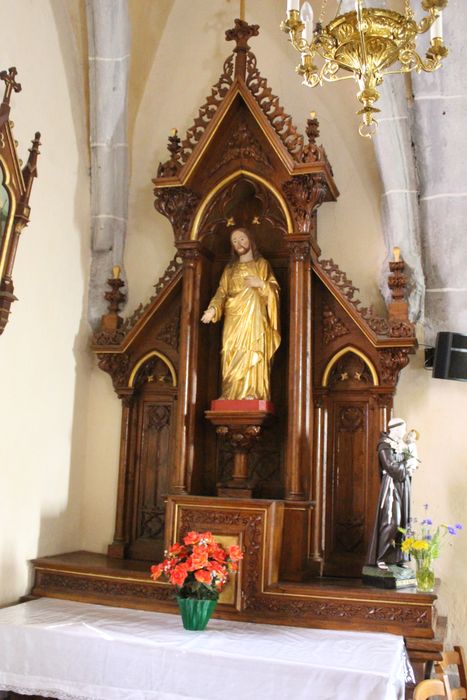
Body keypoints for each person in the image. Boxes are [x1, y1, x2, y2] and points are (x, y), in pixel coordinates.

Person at [201, 227, 280, 401]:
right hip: (233, 316)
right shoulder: (229, 269)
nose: (239, 244)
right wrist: (213, 309)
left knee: (252, 349)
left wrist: (260, 283)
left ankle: (253, 391)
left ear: (250, 240)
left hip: (254, 317)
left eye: (242, 239)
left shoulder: (261, 265)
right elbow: (221, 292)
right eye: (234, 241)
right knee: (230, 350)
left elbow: (274, 291)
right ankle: (230, 393)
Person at [367, 418, 418, 568]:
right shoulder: (384, 445)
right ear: (394, 429)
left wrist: (411, 463)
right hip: (392, 485)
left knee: (403, 522)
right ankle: (382, 557)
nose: (403, 433)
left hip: (403, 485)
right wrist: (405, 466)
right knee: (392, 521)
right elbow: (390, 466)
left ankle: (398, 557)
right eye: (402, 429)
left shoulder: (402, 445)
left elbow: (407, 461)